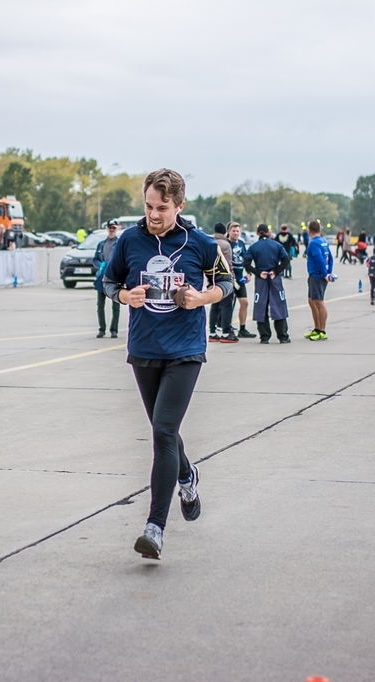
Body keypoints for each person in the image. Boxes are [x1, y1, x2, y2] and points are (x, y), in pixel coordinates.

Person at [101, 168, 232, 560]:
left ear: (180, 206)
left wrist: (201, 298)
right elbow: (107, 282)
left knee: (162, 430)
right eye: (148, 206)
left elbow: (227, 284)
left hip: (185, 350)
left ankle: (154, 528)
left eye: (162, 208)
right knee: (165, 432)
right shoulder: (130, 240)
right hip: (144, 349)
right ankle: (187, 476)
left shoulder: (200, 243)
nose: (153, 215)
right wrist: (125, 296)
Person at [243, 224, 291, 343]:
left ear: (257, 233)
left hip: (261, 278)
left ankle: (264, 336)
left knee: (261, 306)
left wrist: (258, 272)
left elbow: (246, 263)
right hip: (275, 278)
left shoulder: (253, 247)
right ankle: (283, 336)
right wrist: (276, 271)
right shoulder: (277, 245)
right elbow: (286, 259)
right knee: (278, 305)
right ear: (268, 232)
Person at [304, 219, 334, 340]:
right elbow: (330, 258)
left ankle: (322, 330)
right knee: (312, 301)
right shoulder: (323, 241)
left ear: (309, 230)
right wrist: (329, 271)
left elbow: (319, 259)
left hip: (317, 275)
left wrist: (325, 274)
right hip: (317, 275)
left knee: (319, 302)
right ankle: (316, 328)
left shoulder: (314, 243)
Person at [92, 220, 121, 338]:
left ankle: (114, 330)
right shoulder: (101, 244)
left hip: (115, 278)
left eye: (113, 228)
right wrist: (101, 266)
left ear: (117, 228)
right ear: (106, 229)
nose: (111, 230)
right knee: (100, 306)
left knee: (115, 306)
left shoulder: (119, 243)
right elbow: (95, 259)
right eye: (110, 228)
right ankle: (102, 329)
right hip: (102, 278)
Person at [228, 222, 255, 338]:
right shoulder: (226, 244)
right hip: (230, 279)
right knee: (230, 304)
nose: (235, 233)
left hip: (239, 279)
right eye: (233, 231)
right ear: (229, 231)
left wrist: (248, 273)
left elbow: (246, 259)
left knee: (244, 302)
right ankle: (227, 328)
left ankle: (242, 329)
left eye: (237, 231)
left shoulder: (241, 243)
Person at [210, 223, 236, 342]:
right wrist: (233, 278)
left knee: (215, 305)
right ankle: (226, 333)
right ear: (225, 231)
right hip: (224, 276)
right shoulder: (226, 244)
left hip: (212, 276)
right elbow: (229, 263)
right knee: (226, 305)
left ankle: (212, 332)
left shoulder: (210, 242)